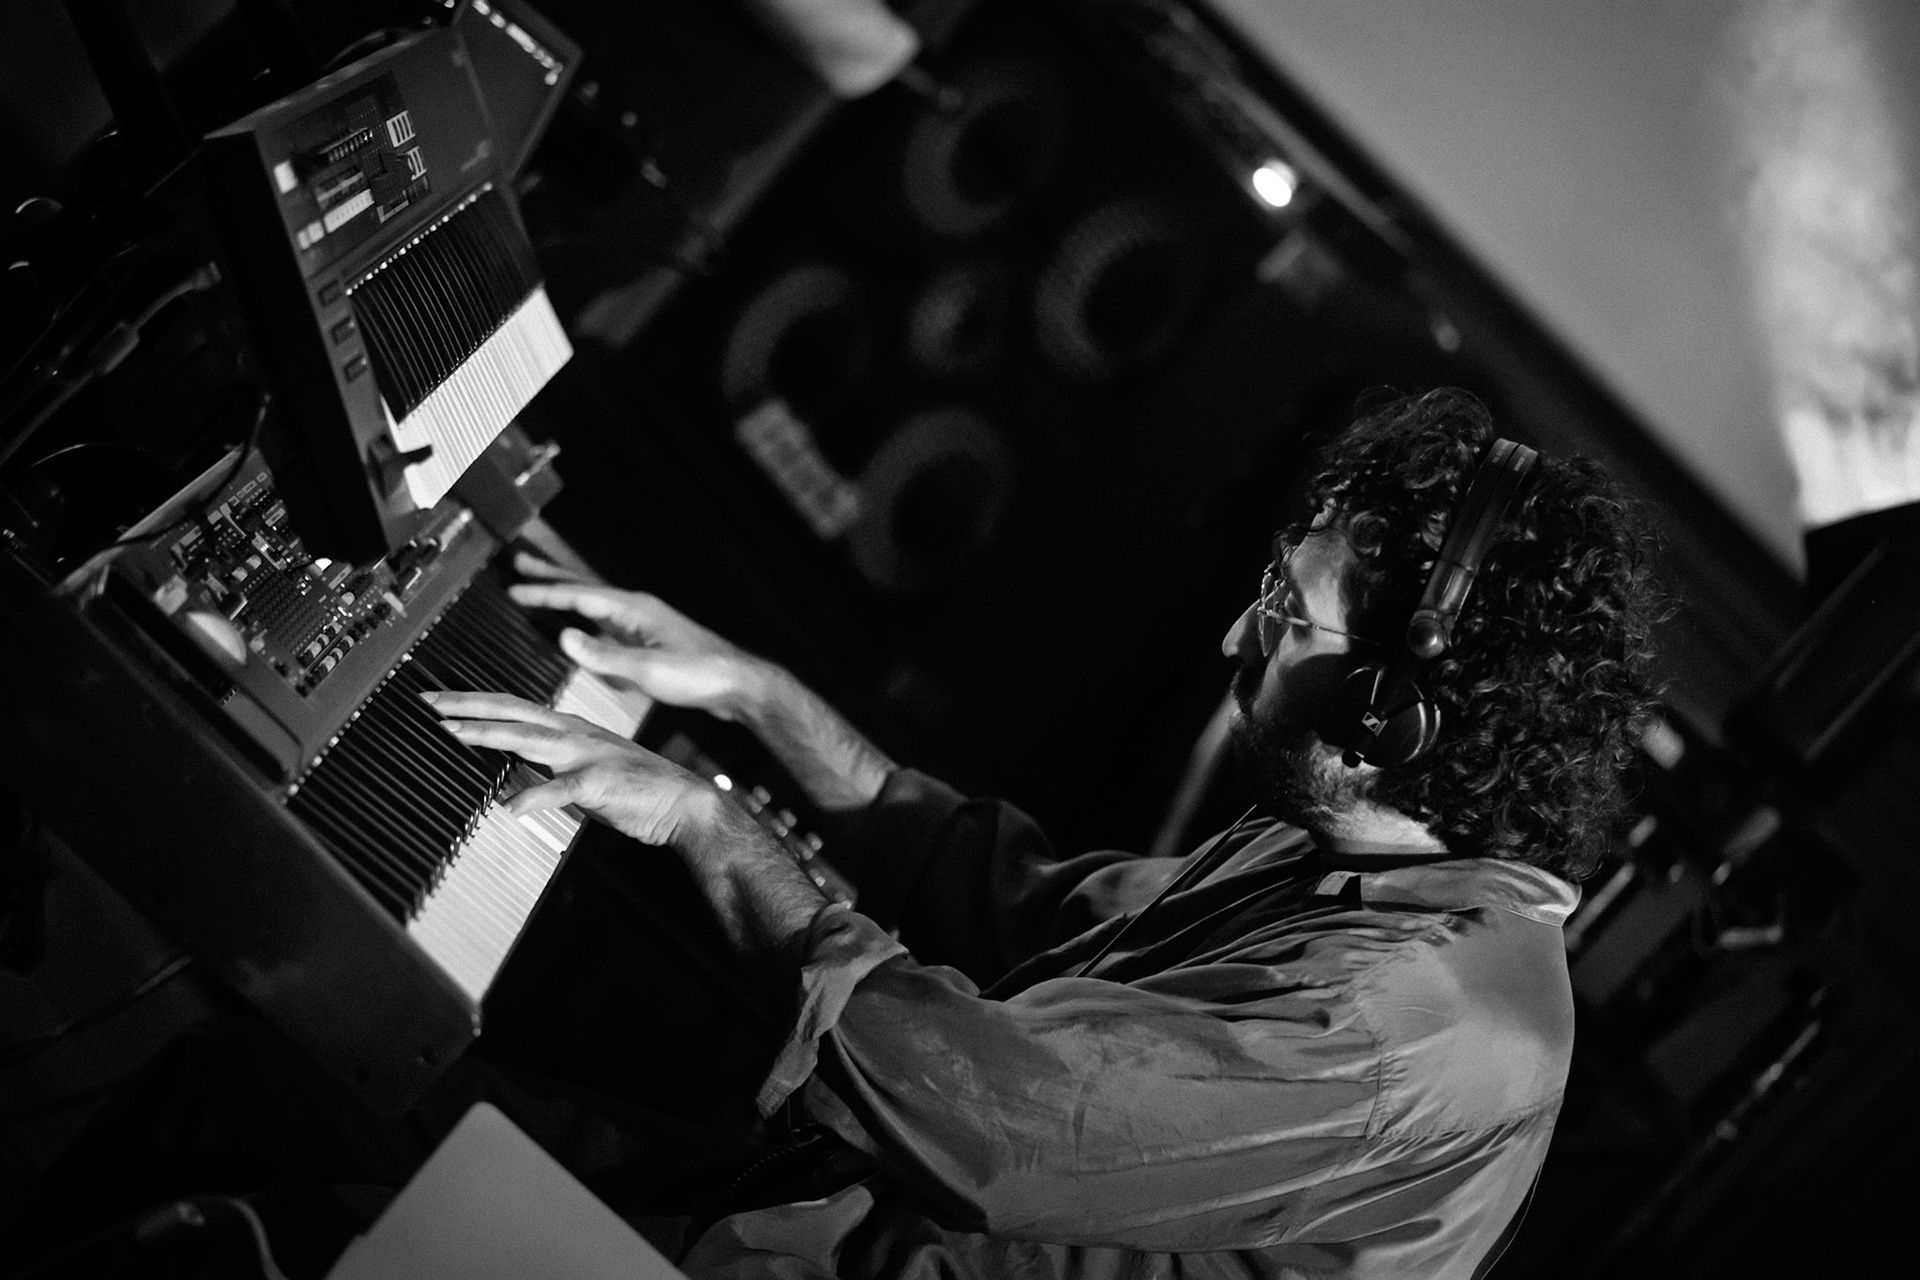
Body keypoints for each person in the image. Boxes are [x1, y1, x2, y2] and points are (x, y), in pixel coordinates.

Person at [425, 387, 1663, 1279]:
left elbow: (987, 1113)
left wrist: (701, 820)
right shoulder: (1348, 856)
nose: (1239, 638)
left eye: (1289, 610)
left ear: (1391, 711)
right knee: (408, 1115)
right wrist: (758, 693)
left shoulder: (1411, 1024)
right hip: (816, 1223)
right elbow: (1014, 893)